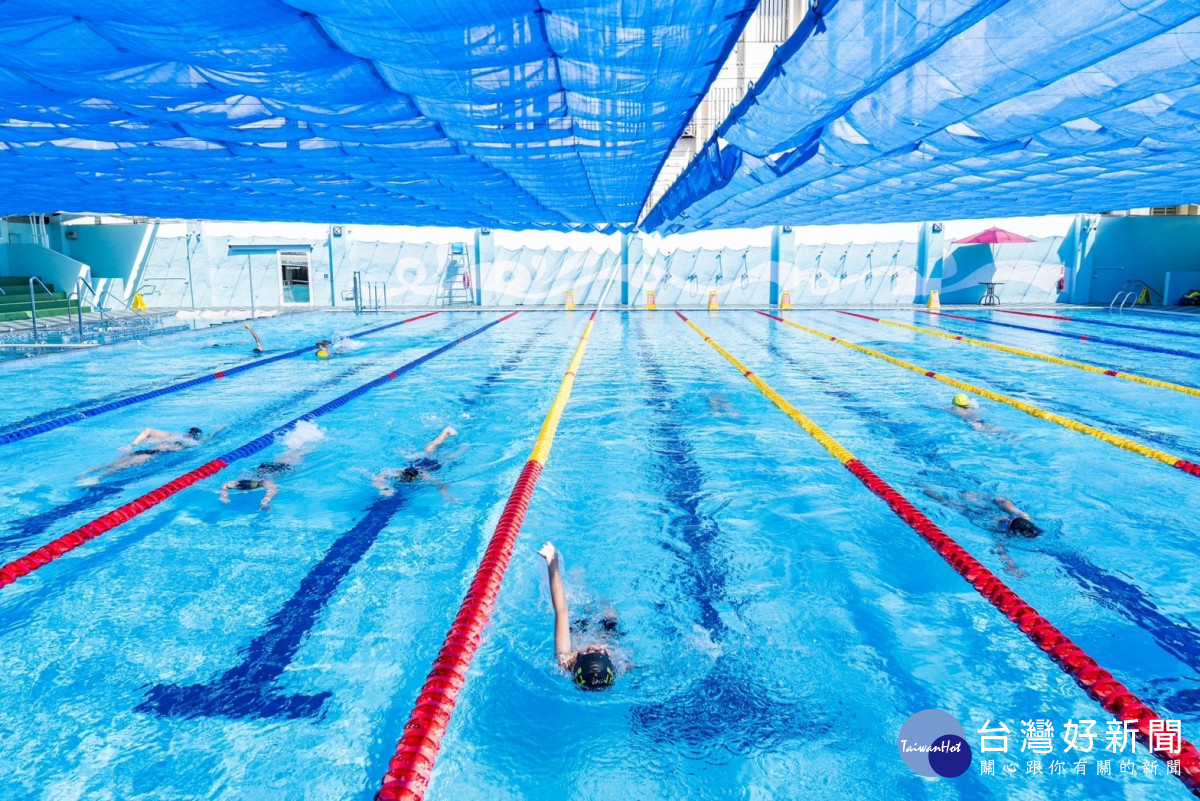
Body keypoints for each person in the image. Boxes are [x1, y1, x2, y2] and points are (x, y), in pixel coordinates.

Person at [538, 542, 622, 690]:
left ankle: (578, 580)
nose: (592, 647)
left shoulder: (565, 660)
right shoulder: (619, 662)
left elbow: (561, 611)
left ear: (575, 663)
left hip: (578, 629)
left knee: (579, 610)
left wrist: (553, 562)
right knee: (610, 613)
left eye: (583, 654)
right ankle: (586, 585)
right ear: (609, 659)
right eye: (600, 652)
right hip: (606, 631)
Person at [924, 489, 1043, 576]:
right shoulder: (1023, 516)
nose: (1004, 519)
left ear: (1010, 531)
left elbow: (1001, 551)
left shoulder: (1002, 535)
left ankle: (924, 489)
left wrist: (1011, 567)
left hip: (974, 514)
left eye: (1006, 524)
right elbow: (1002, 501)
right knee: (968, 495)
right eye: (1009, 517)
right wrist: (995, 500)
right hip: (987, 506)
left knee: (950, 503)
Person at [80, 426, 205, 479]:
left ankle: (84, 474)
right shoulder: (186, 443)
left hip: (143, 450)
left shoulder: (172, 436)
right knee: (121, 467)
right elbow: (204, 441)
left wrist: (131, 445)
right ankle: (98, 478)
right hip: (150, 455)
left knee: (110, 464)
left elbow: (147, 431)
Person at [372, 427, 459, 499]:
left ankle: (459, 443)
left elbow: (441, 485)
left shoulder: (424, 477)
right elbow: (378, 478)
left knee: (447, 458)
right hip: (416, 462)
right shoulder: (399, 473)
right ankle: (448, 434)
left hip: (430, 465)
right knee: (430, 448)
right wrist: (383, 489)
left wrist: (446, 495)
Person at [219, 451, 303, 511]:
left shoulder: (263, 481)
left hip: (280, 468)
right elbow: (225, 485)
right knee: (289, 455)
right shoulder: (243, 480)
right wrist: (224, 495)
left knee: (298, 456)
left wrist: (264, 502)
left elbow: (273, 489)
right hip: (266, 466)